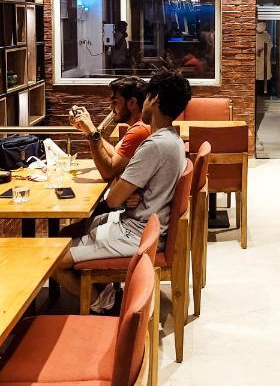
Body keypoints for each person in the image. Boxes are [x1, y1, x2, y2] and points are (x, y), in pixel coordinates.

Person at [55, 70, 191, 305]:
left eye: (146, 97)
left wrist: (128, 192)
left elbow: (113, 200)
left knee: (51, 260)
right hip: (144, 227)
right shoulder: (173, 139)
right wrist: (135, 192)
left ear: (155, 99)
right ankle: (103, 290)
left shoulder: (154, 145)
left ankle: (104, 305)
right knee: (72, 232)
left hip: (136, 233)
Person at [69, 77, 151, 182]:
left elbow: (108, 173)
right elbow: (115, 154)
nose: (110, 107)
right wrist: (87, 130)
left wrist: (92, 133)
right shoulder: (138, 127)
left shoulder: (140, 130)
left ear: (132, 103)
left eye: (115, 102)